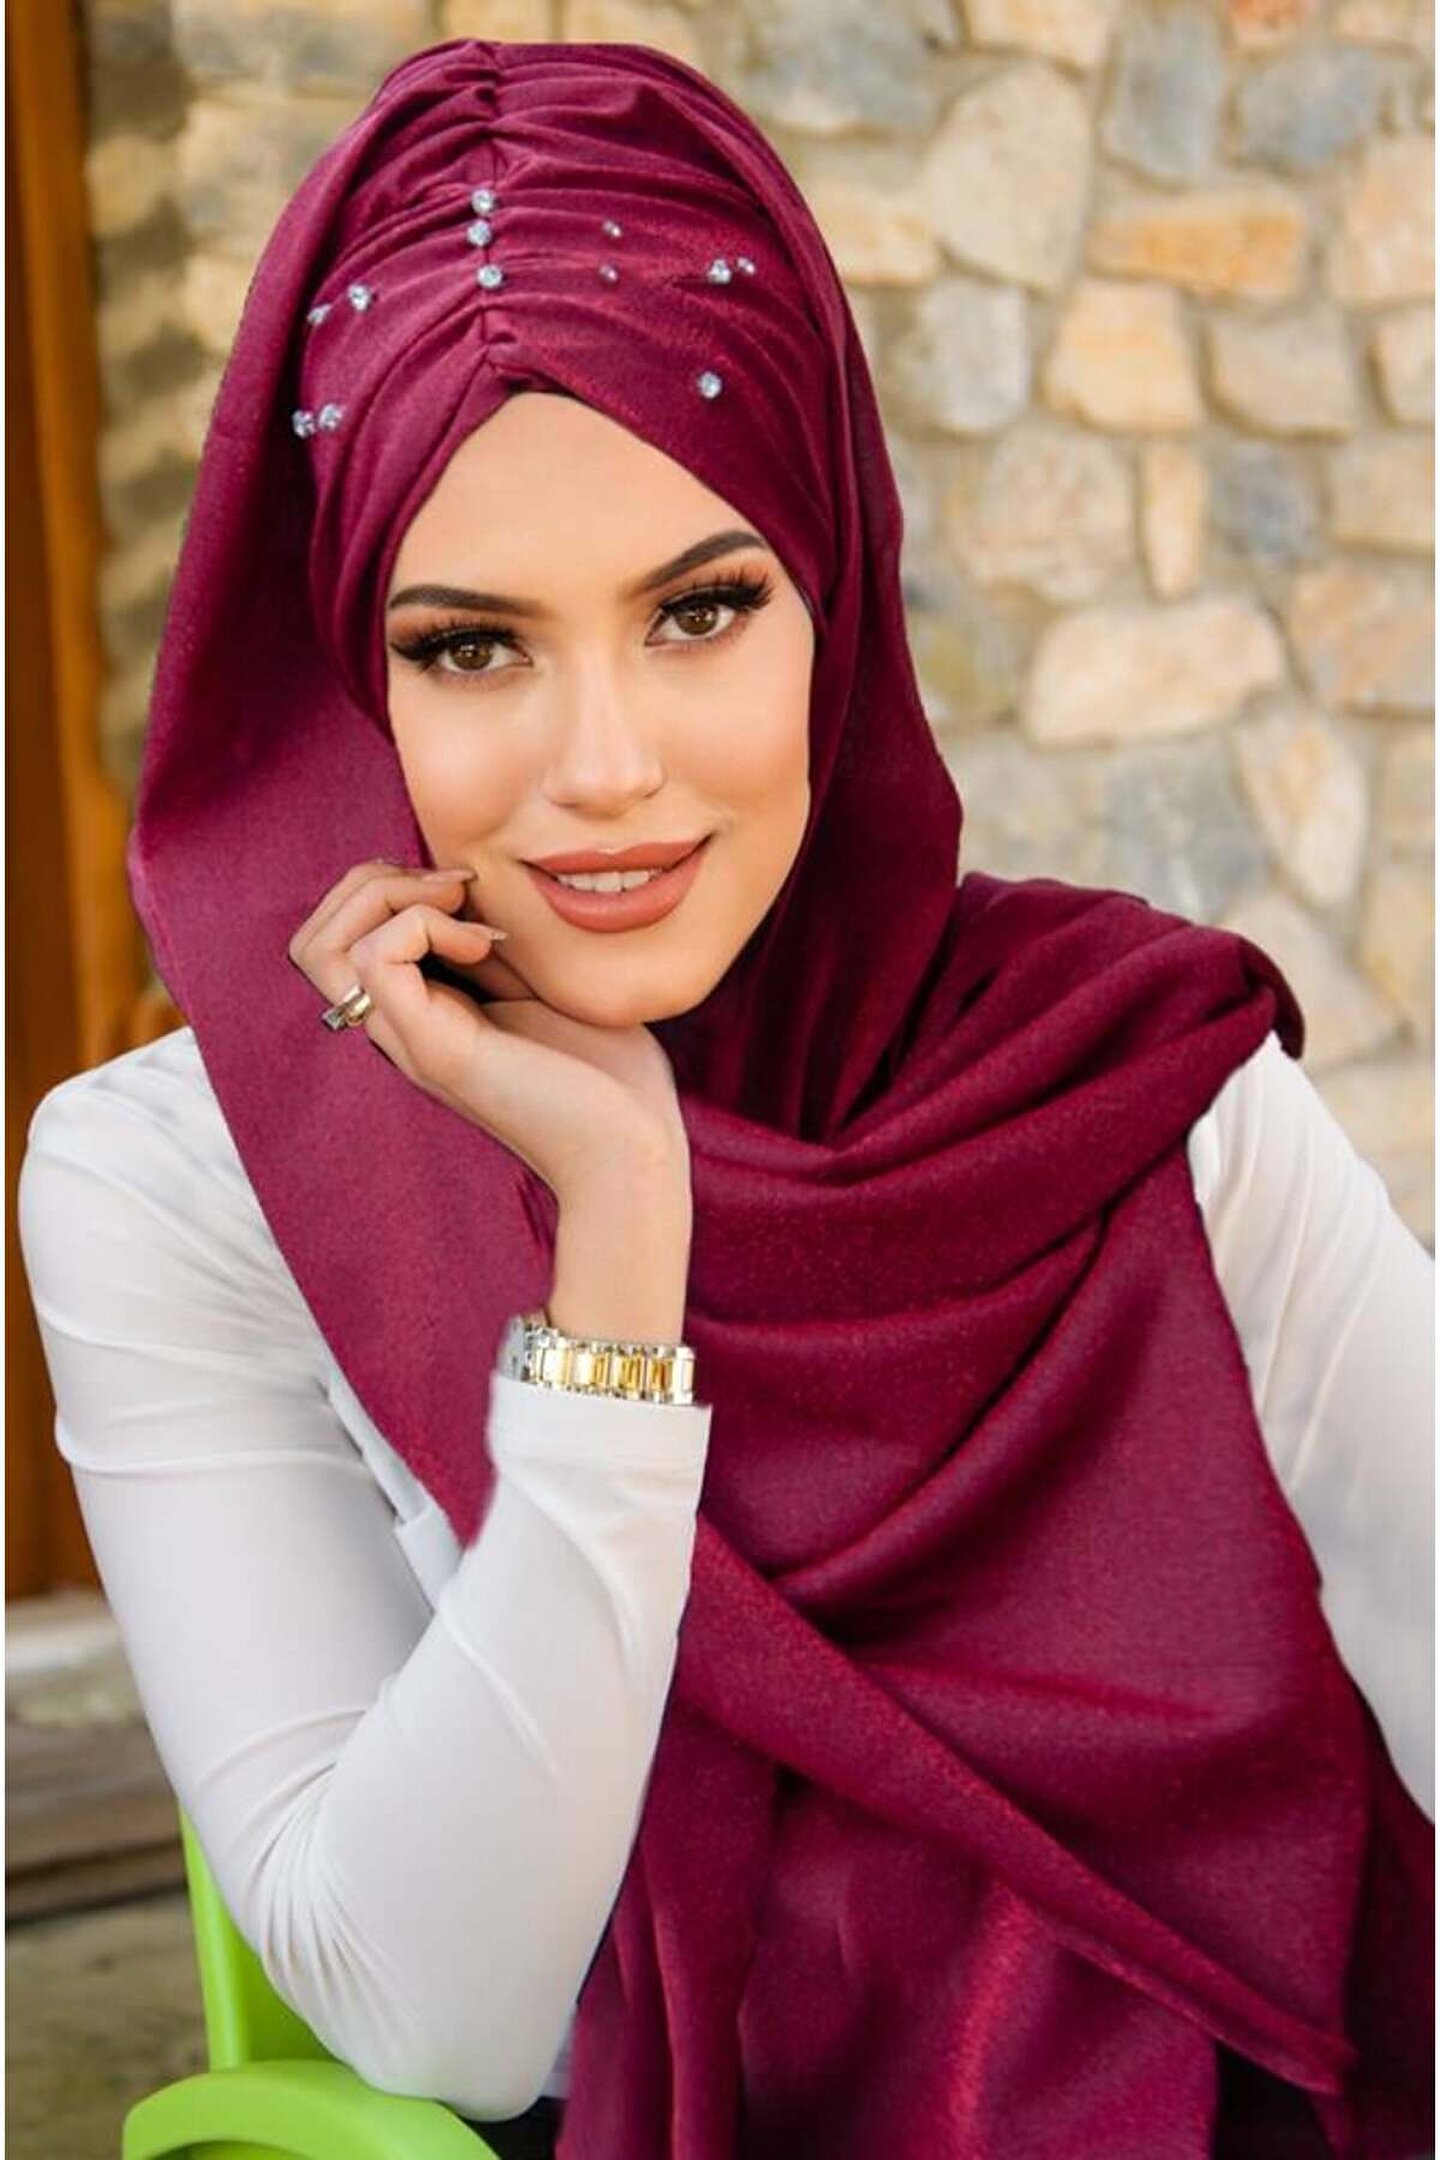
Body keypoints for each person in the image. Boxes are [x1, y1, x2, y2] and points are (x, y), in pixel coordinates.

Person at [16, 35, 1434, 2160]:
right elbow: (436, 2019)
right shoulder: (180, 1182)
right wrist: (618, 1236)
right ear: (345, 665)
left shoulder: (1130, 1083)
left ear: (831, 602)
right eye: (472, 646)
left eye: (698, 609)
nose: (606, 768)